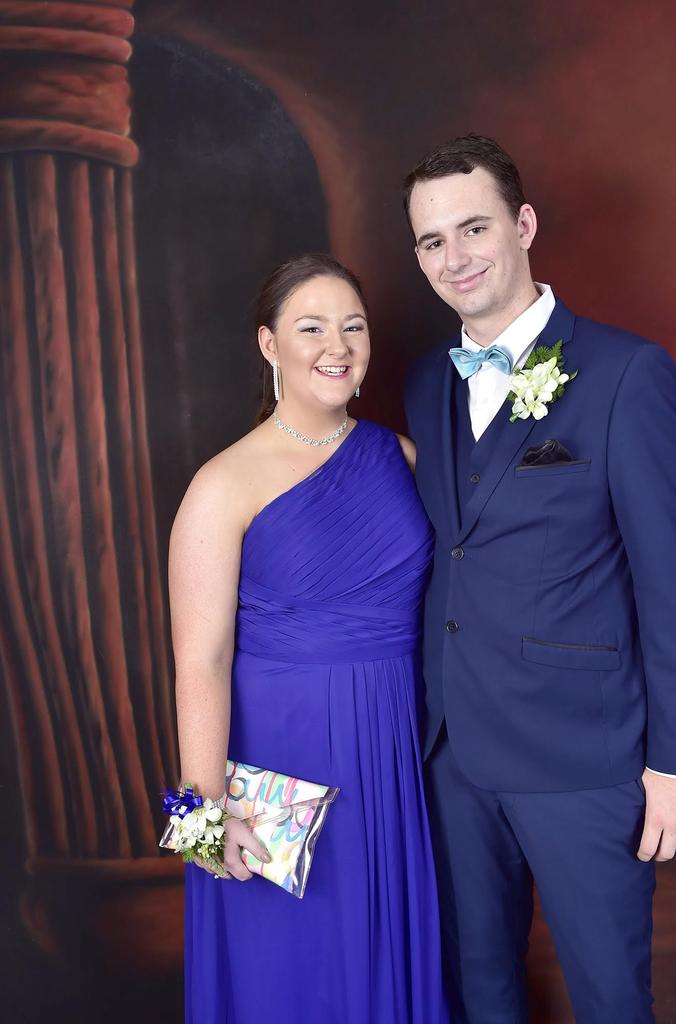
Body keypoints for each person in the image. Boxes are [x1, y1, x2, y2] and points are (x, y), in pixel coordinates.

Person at [402, 135, 676, 1023]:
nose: (455, 258)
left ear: (523, 224)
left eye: (473, 228)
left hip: (587, 758)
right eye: (432, 241)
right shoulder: (427, 381)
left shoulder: (626, 374)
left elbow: (672, 583)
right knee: (482, 991)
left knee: (612, 1000)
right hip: (454, 753)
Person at [169, 253, 448, 1023]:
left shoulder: (403, 459)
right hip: (277, 767)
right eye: (312, 326)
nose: (338, 344)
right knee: (285, 975)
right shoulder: (223, 482)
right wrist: (205, 813)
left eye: (353, 326)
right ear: (270, 346)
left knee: (377, 956)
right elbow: (201, 658)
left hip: (390, 756)